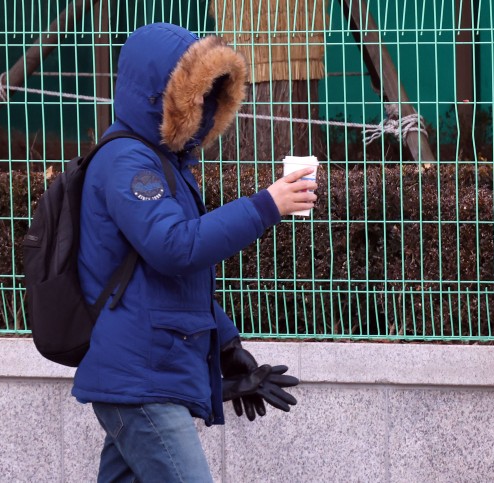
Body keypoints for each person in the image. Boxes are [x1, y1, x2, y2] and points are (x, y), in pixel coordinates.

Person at [73, 22, 317, 482]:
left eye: (211, 97)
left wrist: (225, 344)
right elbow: (175, 249)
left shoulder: (164, 164)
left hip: (148, 371)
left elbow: (172, 279)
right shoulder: (128, 162)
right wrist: (266, 205)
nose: (204, 108)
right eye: (196, 94)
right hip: (139, 378)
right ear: (160, 95)